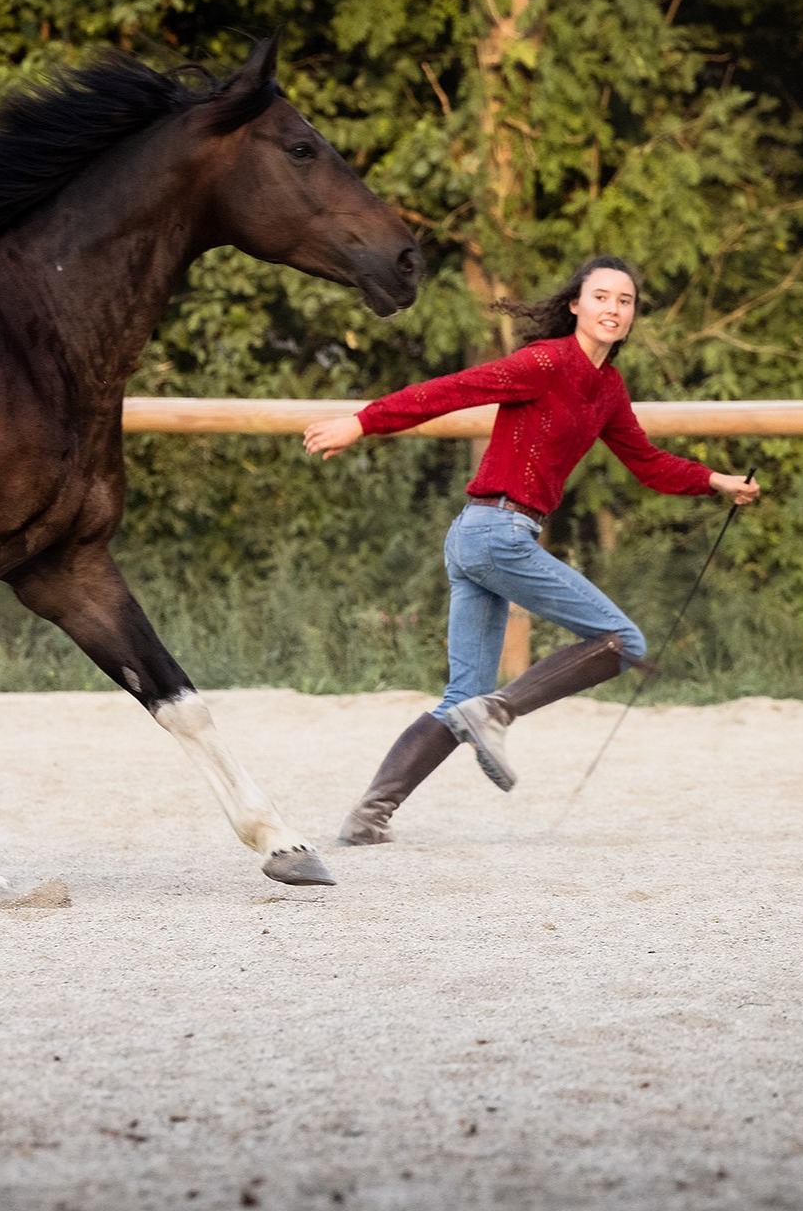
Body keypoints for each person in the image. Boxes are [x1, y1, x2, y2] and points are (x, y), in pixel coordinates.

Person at [303, 256, 760, 845]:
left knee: (460, 697)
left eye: (624, 301)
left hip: (480, 538)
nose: (612, 309)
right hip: (494, 535)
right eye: (601, 297)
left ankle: (368, 817)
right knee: (623, 642)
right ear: (575, 304)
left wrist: (714, 481)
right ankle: (497, 713)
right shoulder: (546, 363)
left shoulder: (606, 389)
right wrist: (363, 422)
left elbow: (647, 463)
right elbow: (453, 390)